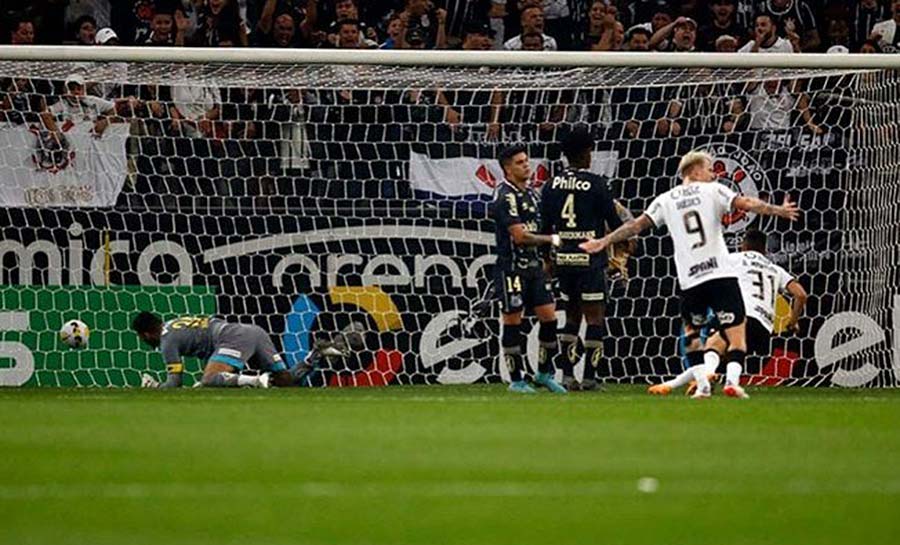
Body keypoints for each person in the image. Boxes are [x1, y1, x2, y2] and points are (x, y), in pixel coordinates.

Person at [580, 150, 800, 398]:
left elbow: (635, 226)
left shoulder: (666, 199)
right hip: (721, 275)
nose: (713, 174)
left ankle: (703, 386)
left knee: (692, 337)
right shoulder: (714, 191)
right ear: (694, 170)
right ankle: (732, 382)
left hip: (691, 279)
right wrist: (777, 210)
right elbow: (747, 204)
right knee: (736, 336)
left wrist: (604, 241)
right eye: (709, 169)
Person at [651, 229, 809, 397]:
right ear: (764, 250)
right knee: (727, 352)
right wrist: (792, 322)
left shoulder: (733, 259)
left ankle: (712, 380)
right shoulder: (775, 269)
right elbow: (801, 294)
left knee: (712, 346)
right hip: (763, 326)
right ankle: (701, 383)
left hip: (739, 313)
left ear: (743, 245)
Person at [540, 128, 623, 391]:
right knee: (595, 318)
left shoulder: (551, 185)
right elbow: (614, 222)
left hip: (564, 259)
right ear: (587, 153)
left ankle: (567, 376)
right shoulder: (597, 183)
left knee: (572, 316)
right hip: (590, 259)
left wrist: (547, 259)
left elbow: (544, 228)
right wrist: (624, 247)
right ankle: (590, 377)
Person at [492, 144, 566, 394]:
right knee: (513, 321)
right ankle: (516, 379)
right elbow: (519, 236)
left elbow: (541, 228)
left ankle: (544, 373)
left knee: (550, 319)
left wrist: (547, 258)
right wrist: (551, 240)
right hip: (511, 269)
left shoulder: (533, 194)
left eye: (526, 160)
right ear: (507, 168)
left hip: (535, 269)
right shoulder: (505, 196)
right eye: (520, 162)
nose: (526, 165)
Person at [133, 312, 293, 388]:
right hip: (254, 331)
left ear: (146, 334)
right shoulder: (172, 323)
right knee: (285, 380)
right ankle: (311, 359)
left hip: (232, 338)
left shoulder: (167, 341)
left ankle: (256, 380)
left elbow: (175, 383)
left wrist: (153, 386)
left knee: (210, 379)